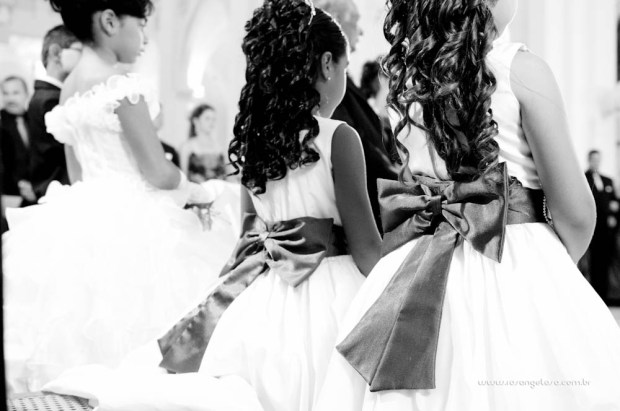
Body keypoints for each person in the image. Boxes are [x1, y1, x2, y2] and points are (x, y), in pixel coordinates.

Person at [44, 1, 380, 410]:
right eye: (344, 68)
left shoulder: (256, 143)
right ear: (328, 65)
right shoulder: (340, 136)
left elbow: (249, 234)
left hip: (266, 293)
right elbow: (366, 250)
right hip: (332, 294)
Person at [314, 0, 620, 410]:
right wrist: (546, 267)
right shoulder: (521, 70)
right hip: (510, 255)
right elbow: (577, 213)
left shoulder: (408, 81)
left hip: (419, 262)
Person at [2, 0, 236, 393]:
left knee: (83, 325)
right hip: (136, 217)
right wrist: (196, 190)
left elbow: (77, 175)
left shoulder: (69, 89)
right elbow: (158, 172)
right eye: (141, 25)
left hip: (82, 210)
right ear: (110, 21)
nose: (144, 38)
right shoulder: (124, 87)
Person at [314, 0, 398, 234]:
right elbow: (355, 144)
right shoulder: (328, 86)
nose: (360, 31)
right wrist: (401, 180)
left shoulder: (340, 81)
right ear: (334, 19)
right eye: (355, 21)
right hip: (359, 215)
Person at [28, 25, 82, 202]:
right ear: (56, 53)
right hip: (57, 189)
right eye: (80, 51)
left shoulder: (49, 95)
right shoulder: (49, 99)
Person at [584, 149, 619, 303]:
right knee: (594, 263)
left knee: (606, 262)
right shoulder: (584, 179)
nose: (596, 162)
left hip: (607, 231)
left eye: (598, 159)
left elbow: (614, 201)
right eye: (593, 159)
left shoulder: (607, 180)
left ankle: (605, 296)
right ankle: (595, 297)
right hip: (593, 229)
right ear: (589, 160)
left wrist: (613, 211)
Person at [0, 75, 35, 206]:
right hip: (9, 195)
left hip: (36, 191)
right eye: (5, 93)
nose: (10, 99)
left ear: (26, 94)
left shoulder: (34, 119)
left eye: (15, 93)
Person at [180, 104, 227, 183]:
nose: (211, 122)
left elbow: (228, 175)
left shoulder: (220, 147)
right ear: (196, 121)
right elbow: (183, 179)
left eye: (214, 119)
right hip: (195, 189)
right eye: (207, 118)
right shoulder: (186, 147)